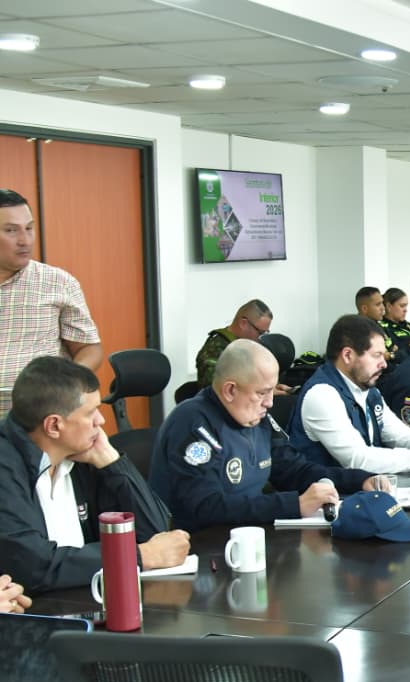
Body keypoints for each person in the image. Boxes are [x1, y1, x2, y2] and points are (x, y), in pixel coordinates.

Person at [0, 357, 189, 592]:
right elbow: (31, 565)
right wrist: (137, 556)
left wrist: (112, 462)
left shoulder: (81, 456)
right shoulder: (6, 468)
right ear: (54, 426)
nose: (101, 421)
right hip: (32, 615)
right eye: (91, 413)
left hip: (86, 604)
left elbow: (155, 533)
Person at [151, 340, 380, 531]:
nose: (270, 402)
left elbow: (293, 469)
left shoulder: (255, 417)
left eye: (272, 390)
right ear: (230, 390)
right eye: (262, 392)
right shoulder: (193, 425)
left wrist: (358, 480)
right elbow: (206, 507)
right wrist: (294, 505)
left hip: (245, 536)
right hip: (201, 549)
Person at [288, 315, 410, 473]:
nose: (384, 364)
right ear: (347, 355)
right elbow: (357, 458)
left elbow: (400, 435)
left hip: (359, 492)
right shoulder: (322, 395)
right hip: (325, 502)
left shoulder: (367, 389)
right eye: (376, 355)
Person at [0, 189, 103, 418]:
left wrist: (64, 386)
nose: (24, 240)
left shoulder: (58, 282)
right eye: (10, 230)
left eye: (29, 228)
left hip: (40, 418)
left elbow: (89, 348)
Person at [195, 299, 275, 387]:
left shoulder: (245, 346)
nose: (261, 338)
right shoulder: (216, 348)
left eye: (265, 333)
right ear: (243, 323)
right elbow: (218, 388)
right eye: (260, 332)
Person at [380, 286, 410, 366]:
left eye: (406, 306)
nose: (406, 310)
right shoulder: (381, 327)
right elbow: (389, 356)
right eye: (402, 306)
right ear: (389, 306)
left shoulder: (409, 326)